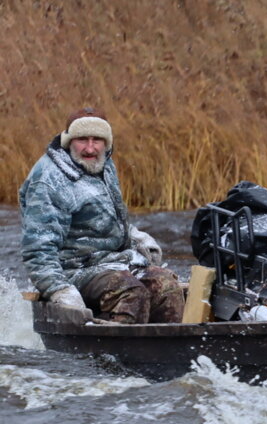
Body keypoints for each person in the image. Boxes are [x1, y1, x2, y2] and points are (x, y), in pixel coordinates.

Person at [19, 107, 184, 324]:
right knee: (131, 292)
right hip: (72, 269)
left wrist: (133, 237)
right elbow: (37, 251)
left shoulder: (103, 163)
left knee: (167, 287)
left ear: (106, 143)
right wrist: (59, 290)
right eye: (82, 140)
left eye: (97, 140)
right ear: (69, 141)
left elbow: (104, 216)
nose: (90, 148)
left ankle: (168, 352)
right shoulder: (49, 181)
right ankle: (115, 354)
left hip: (110, 262)